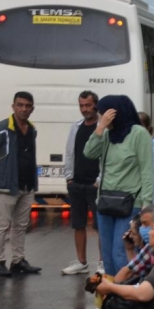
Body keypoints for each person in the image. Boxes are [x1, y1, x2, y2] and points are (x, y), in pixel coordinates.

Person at [84, 95, 154, 276]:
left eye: (103, 114)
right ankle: (112, 297)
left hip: (131, 202)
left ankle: (126, 295)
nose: (101, 118)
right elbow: (89, 153)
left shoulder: (139, 133)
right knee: (106, 255)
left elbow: (147, 170)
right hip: (106, 201)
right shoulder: (106, 135)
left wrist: (147, 204)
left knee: (120, 251)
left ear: (115, 113)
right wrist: (100, 128)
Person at [0, 91, 43, 277]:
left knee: (20, 225)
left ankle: (18, 261)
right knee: (2, 225)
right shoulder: (2, 128)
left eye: (27, 106)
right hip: (6, 185)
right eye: (20, 105)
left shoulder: (32, 129)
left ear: (32, 108)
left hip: (26, 185)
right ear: (13, 106)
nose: (23, 109)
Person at [62, 91, 103, 275]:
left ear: (96, 105)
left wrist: (99, 180)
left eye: (88, 105)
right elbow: (69, 152)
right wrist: (69, 177)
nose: (84, 109)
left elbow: (107, 156)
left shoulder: (103, 127)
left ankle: (103, 263)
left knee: (100, 225)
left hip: (95, 184)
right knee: (78, 224)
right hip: (76, 183)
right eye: (81, 106)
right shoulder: (76, 127)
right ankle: (81, 261)